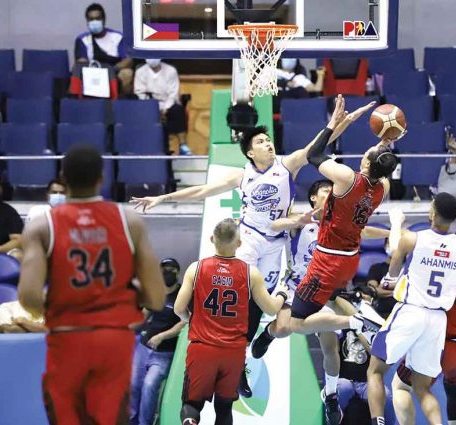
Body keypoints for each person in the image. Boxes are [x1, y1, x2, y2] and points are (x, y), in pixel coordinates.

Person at [131, 94, 375, 397]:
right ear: (249, 151)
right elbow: (202, 190)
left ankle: (240, 362)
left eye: (269, 139)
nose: (268, 144)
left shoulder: (287, 166)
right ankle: (203, 343)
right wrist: (162, 198)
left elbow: (317, 146)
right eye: (261, 141)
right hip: (249, 238)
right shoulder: (242, 175)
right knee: (234, 291)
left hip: (276, 247)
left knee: (262, 308)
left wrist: (340, 123)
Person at [18, 144, 166, 425]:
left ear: (63, 178)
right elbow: (157, 298)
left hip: (68, 335)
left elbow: (28, 297)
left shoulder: (41, 225)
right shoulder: (129, 221)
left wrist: (67, 305)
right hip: (114, 338)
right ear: (102, 177)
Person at [284, 96, 399, 424]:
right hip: (349, 257)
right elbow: (379, 166)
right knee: (322, 328)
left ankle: (356, 322)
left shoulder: (348, 179)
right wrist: (382, 144)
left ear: (366, 163)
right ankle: (332, 388)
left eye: (368, 153)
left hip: (328, 260)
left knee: (295, 323)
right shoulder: (381, 187)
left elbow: (313, 155)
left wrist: (333, 124)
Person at [249, 178, 389, 424]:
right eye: (325, 190)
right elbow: (274, 224)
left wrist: (392, 232)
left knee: (328, 346)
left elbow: (364, 231)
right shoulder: (301, 220)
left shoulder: (339, 222)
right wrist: (295, 220)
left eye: (332, 190)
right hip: (296, 285)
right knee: (283, 328)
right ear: (314, 198)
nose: (331, 192)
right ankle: (270, 333)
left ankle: (331, 394)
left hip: (324, 289)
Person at [367, 193, 456, 425]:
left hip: (411, 311)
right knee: (422, 388)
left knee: (375, 371)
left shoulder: (412, 239)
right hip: (438, 320)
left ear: (432, 214)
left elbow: (392, 273)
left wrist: (396, 223)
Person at [173, 218, 288, 425]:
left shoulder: (196, 269)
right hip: (233, 352)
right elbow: (271, 308)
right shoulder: (250, 273)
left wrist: (191, 320)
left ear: (211, 239)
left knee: (191, 405)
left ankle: (190, 422)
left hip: (202, 348)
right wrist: (281, 292)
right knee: (224, 408)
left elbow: (178, 309)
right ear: (240, 244)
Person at [391, 217, 456, 425]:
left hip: (436, 340)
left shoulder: (446, 263)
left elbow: (397, 251)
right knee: (455, 392)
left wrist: (396, 223)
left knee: (402, 386)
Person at [130, 257, 186, 425]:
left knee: (149, 384)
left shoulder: (183, 295)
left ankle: (144, 423)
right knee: (133, 384)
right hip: (143, 347)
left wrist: (163, 336)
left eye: (171, 270)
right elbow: (146, 313)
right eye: (164, 270)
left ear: (178, 273)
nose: (167, 273)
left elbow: (184, 322)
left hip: (164, 353)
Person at [134, 59, 191, 156]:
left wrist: (164, 109)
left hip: (168, 103)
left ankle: (183, 146)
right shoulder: (140, 72)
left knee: (178, 110)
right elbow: (139, 93)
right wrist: (153, 107)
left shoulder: (171, 70)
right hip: (149, 105)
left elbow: (173, 94)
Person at [74, 3, 133, 96]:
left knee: (127, 73)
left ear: (104, 20)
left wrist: (112, 70)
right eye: (91, 19)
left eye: (97, 18)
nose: (94, 22)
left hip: (114, 70)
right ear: (87, 21)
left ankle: (123, 104)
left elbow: (128, 59)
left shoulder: (117, 37)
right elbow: (81, 62)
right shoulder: (82, 40)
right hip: (93, 72)